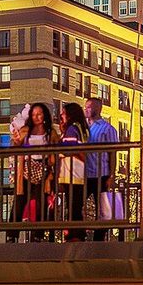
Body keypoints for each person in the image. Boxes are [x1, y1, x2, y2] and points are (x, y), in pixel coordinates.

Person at [9, 102, 57, 240]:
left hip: (43, 168)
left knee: (41, 203)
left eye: (39, 114)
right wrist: (16, 141)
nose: (37, 117)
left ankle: (38, 235)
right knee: (19, 202)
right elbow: (15, 145)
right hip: (26, 169)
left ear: (45, 115)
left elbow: (56, 151)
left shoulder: (50, 133)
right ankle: (12, 235)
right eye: (34, 114)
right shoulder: (25, 130)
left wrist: (51, 174)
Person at [84, 97, 120, 239]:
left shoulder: (108, 128)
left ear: (98, 109)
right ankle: (79, 233)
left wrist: (112, 175)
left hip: (101, 173)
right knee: (78, 204)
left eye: (89, 107)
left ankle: (99, 237)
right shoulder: (83, 127)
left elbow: (113, 153)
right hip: (85, 174)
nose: (86, 109)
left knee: (103, 208)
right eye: (85, 106)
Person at [55, 101, 89, 240]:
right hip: (78, 172)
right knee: (75, 204)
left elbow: (69, 149)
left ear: (69, 115)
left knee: (73, 205)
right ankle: (77, 233)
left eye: (63, 112)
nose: (61, 115)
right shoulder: (81, 128)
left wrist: (58, 150)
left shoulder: (72, 129)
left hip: (72, 172)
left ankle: (76, 234)